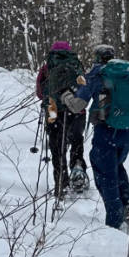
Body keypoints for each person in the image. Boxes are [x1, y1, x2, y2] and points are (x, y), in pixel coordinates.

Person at [61, 45, 129, 231]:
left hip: (107, 130)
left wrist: (65, 96)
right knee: (116, 165)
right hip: (128, 130)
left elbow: (77, 105)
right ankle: (128, 202)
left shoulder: (97, 75)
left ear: (97, 57)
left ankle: (114, 222)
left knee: (105, 174)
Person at [35, 41, 87, 196]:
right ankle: (77, 168)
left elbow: (40, 92)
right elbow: (85, 87)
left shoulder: (47, 68)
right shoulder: (77, 65)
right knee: (76, 141)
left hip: (54, 112)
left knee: (57, 147)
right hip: (77, 111)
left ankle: (61, 181)